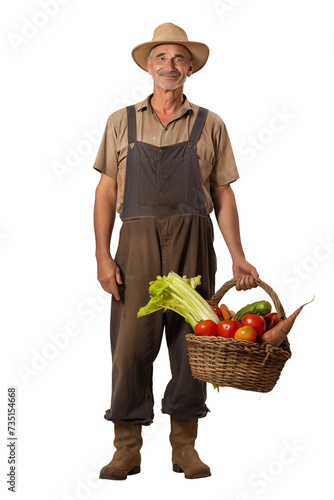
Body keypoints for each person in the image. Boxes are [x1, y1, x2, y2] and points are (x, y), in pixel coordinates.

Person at [93, 22, 260, 481]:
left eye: (179, 59)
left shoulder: (211, 123)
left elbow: (223, 194)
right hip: (136, 246)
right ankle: (126, 448)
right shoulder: (120, 122)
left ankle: (184, 447)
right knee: (129, 349)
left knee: (195, 346)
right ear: (149, 66)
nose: (170, 66)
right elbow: (106, 192)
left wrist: (238, 255)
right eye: (161, 58)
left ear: (190, 68)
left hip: (193, 241)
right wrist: (103, 256)